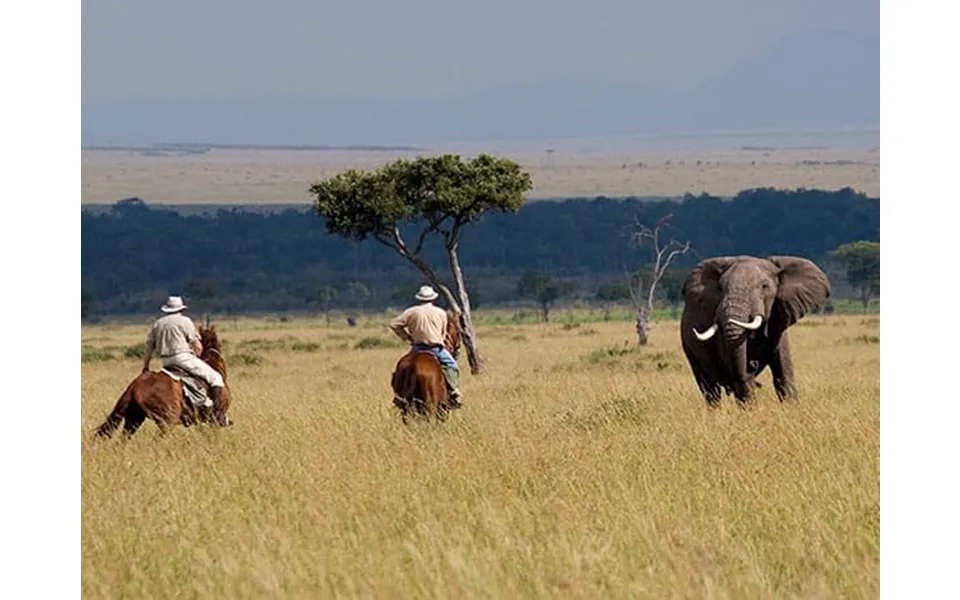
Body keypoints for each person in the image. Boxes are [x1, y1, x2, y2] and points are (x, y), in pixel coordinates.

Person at [141, 296, 230, 426]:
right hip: (183, 358)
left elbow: (149, 347)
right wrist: (197, 354)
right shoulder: (185, 321)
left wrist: (146, 366)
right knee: (215, 377)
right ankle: (218, 415)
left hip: (166, 361)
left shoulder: (158, 323)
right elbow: (197, 345)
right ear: (181, 308)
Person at [389, 285, 462, 407]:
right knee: (452, 366)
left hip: (417, 348)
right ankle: (454, 392)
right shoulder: (441, 313)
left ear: (419, 299)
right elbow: (443, 333)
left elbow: (394, 324)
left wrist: (407, 337)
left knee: (400, 369)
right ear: (433, 299)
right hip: (436, 348)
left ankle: (399, 395)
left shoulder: (411, 312)